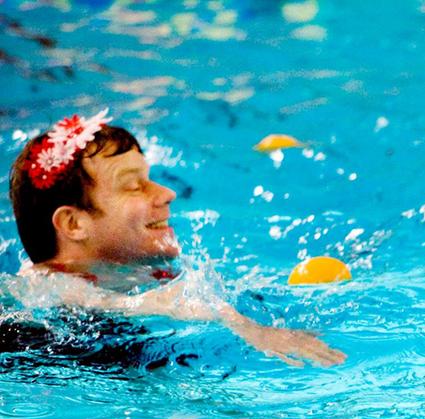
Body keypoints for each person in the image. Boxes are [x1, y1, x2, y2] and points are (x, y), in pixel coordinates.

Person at [7, 109, 344, 367]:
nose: (167, 193)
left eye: (150, 178)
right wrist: (247, 328)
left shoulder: (139, 270)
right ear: (73, 223)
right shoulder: (46, 283)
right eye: (133, 185)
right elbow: (114, 306)